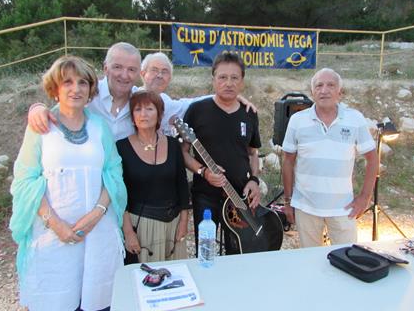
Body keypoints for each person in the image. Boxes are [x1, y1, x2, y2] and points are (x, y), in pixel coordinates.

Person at [9, 55, 127, 311]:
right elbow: (26, 179)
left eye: (83, 82)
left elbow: (114, 173)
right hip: (53, 238)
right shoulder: (40, 128)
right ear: (55, 89)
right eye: (68, 82)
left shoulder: (100, 127)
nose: (76, 89)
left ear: (91, 89)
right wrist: (56, 224)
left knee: (99, 302)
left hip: (98, 234)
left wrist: (97, 213)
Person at [28, 45, 256, 141]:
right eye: (117, 67)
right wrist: (37, 108)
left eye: (131, 70)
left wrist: (228, 97)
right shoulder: (89, 93)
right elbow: (66, 100)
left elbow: (187, 104)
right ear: (105, 68)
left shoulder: (143, 101)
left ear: (137, 73)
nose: (124, 75)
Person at [281, 68, 377, 247]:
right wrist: (288, 201)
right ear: (312, 92)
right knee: (311, 263)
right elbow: (287, 162)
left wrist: (365, 197)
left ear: (339, 91)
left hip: (343, 209)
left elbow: (372, 159)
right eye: (319, 85)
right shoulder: (297, 121)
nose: (324, 90)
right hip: (306, 207)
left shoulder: (355, 119)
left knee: (347, 259)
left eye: (330, 85)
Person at [181, 52, 261, 255]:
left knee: (238, 251)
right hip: (205, 196)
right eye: (222, 77)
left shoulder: (249, 113)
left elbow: (253, 153)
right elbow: (183, 153)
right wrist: (203, 172)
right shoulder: (197, 110)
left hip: (240, 196)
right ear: (213, 79)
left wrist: (254, 180)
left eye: (234, 78)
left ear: (242, 81)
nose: (229, 83)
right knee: (205, 252)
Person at [117, 90, 190, 262]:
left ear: (159, 114)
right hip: (141, 226)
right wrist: (128, 233)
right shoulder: (121, 148)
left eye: (149, 109)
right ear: (132, 116)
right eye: (138, 109)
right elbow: (120, 195)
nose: (144, 114)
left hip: (173, 223)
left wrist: (183, 222)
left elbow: (182, 184)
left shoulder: (172, 145)